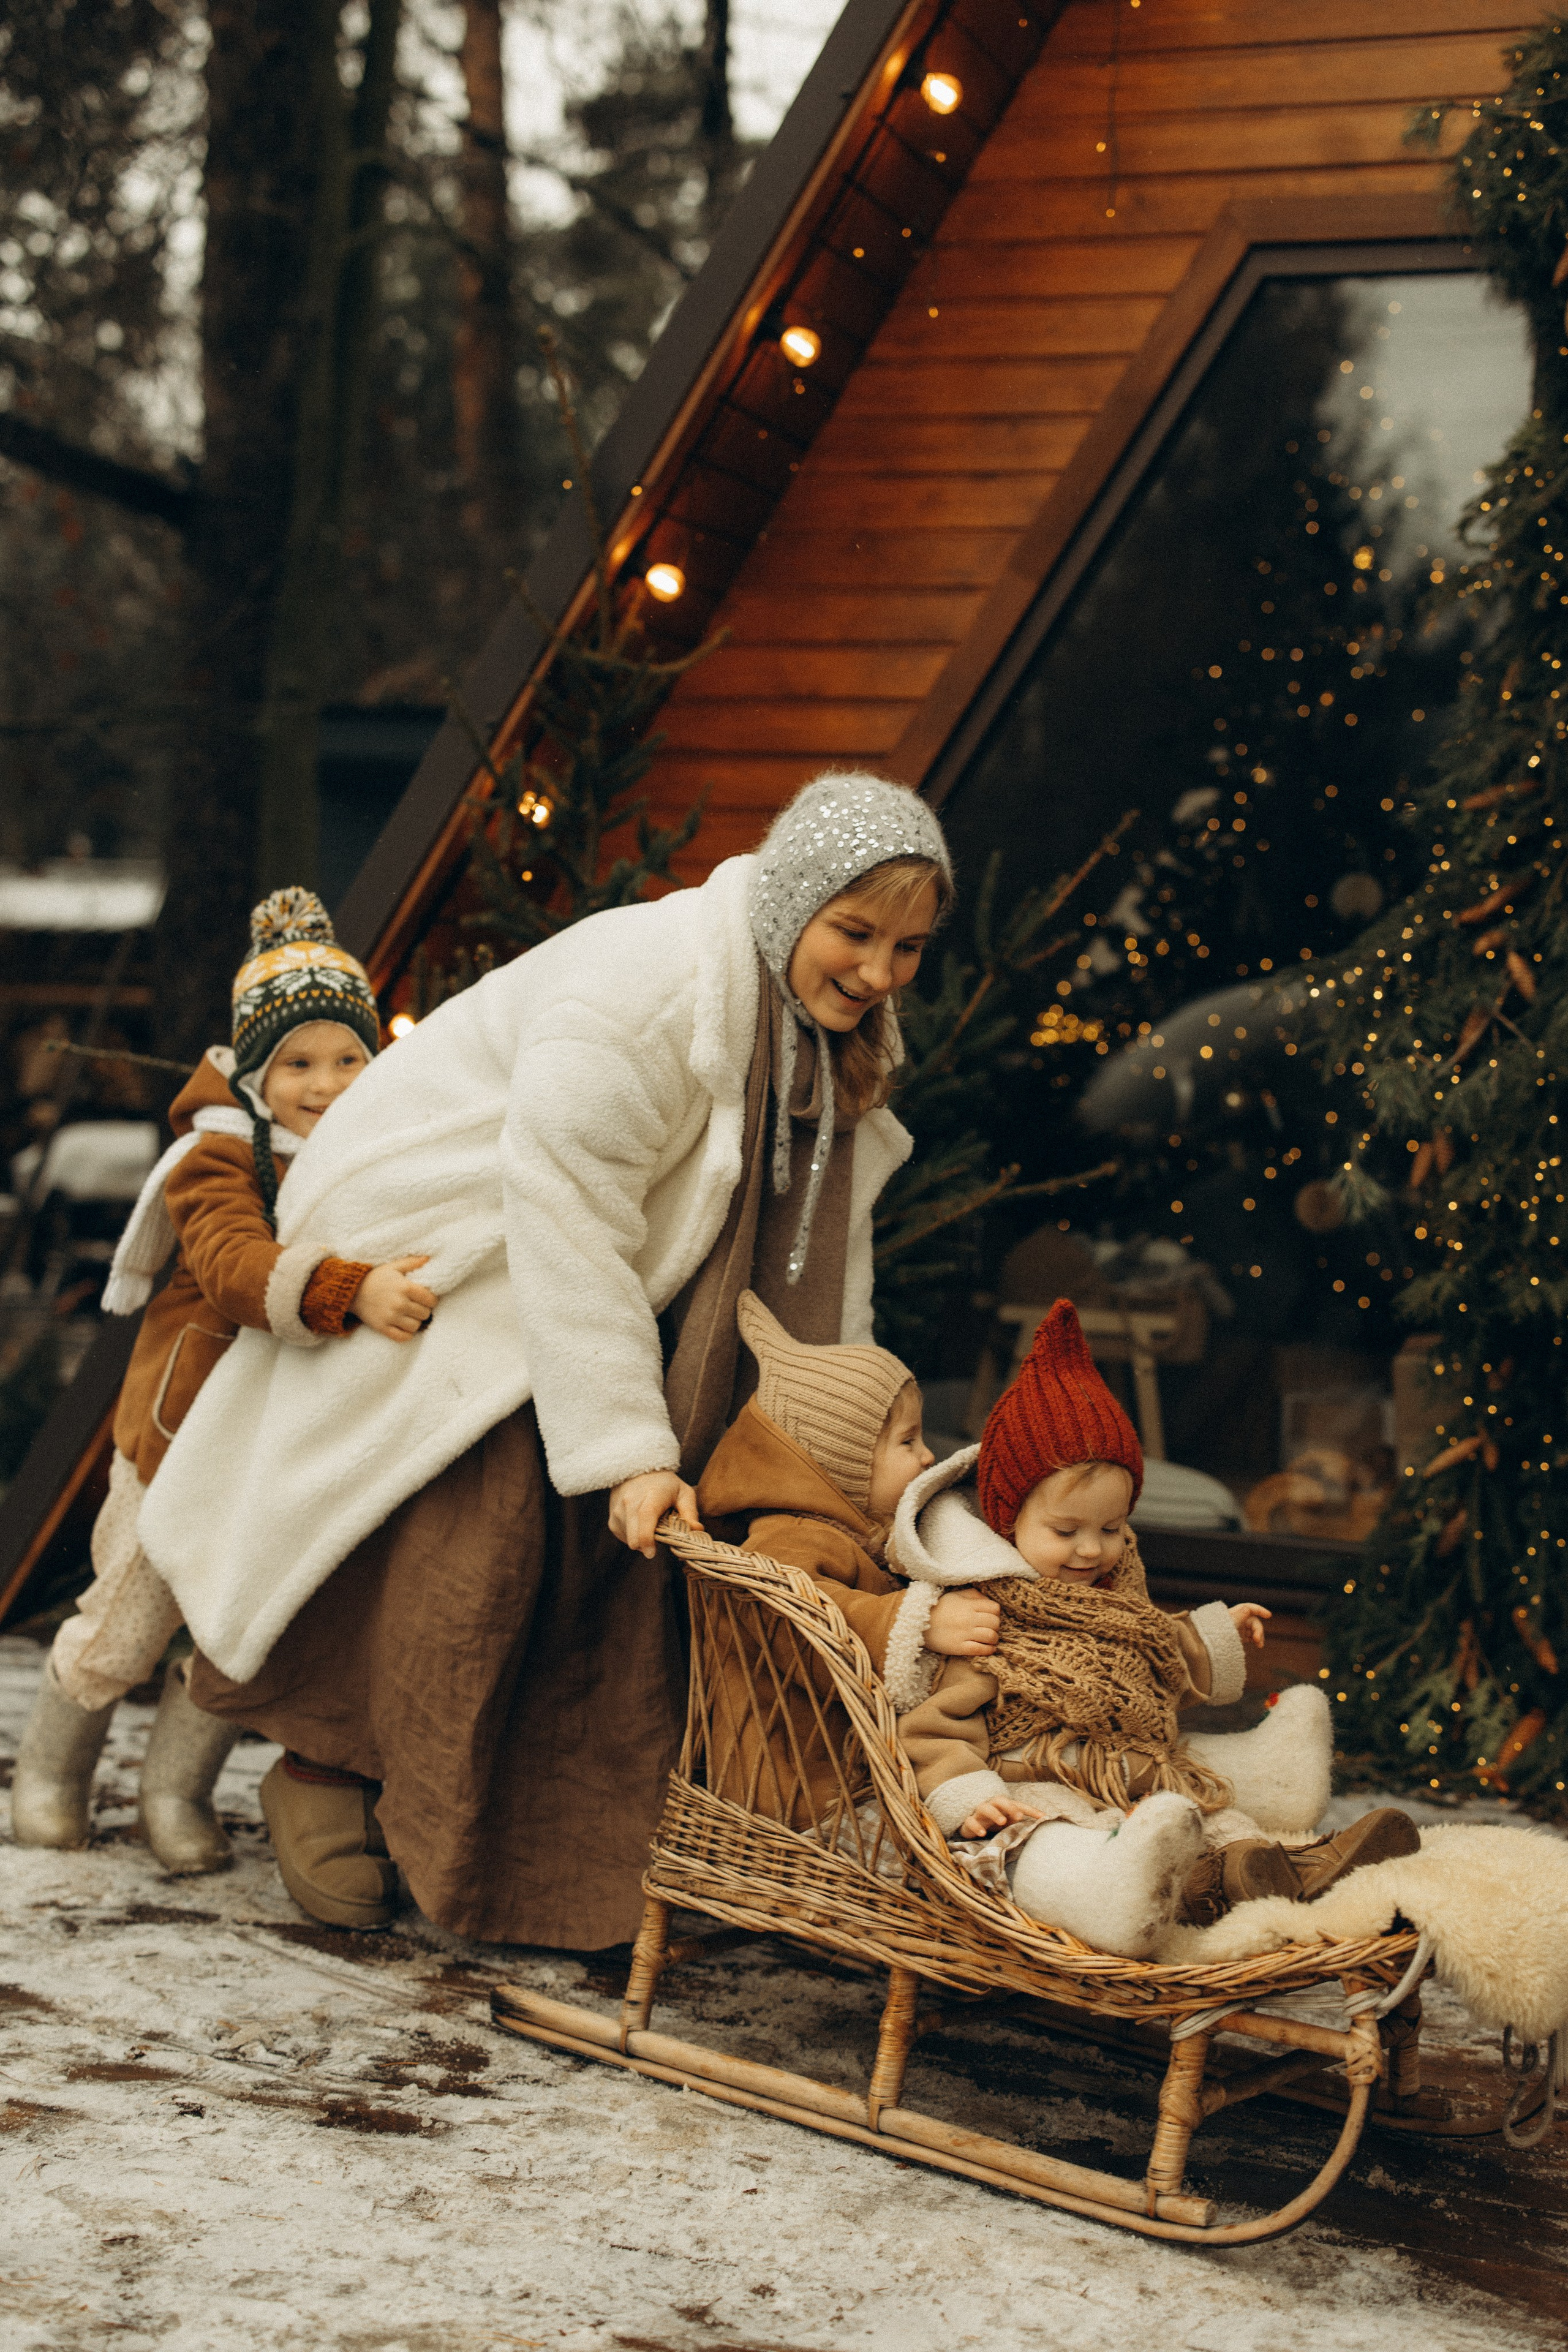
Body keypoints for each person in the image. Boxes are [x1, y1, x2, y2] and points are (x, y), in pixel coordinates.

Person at [137, 774, 954, 1942]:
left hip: (589, 1256)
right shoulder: (649, 994)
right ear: (790, 906)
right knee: (489, 1515)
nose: (880, 973)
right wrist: (624, 1448)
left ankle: (537, 1825)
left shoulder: (828, 1042)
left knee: (605, 1550)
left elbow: (818, 1242)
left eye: (910, 948)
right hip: (445, 1242)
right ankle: (328, 1769)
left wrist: (839, 1429)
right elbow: (565, 1209)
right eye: (857, 933)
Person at [10, 891, 435, 1873]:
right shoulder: (216, 1156)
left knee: (232, 1630)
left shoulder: (370, 1154)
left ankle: (175, 1793)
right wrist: (349, 1288)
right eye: (297, 1063)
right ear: (253, 1070)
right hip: (182, 1433)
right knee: (129, 1610)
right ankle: (50, 1774)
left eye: (346, 1058)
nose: (324, 1084)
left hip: (280, 1446)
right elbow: (237, 1268)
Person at [886, 1300, 1420, 1954]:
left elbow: (1154, 1661)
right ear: (1006, 1519)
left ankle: (1279, 1870)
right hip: (1033, 1787)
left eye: (1111, 1530)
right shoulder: (986, 1617)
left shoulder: (1117, 1605)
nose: (1091, 1551)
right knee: (1057, 1848)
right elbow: (933, 1725)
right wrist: (967, 1794)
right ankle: (1117, 1890)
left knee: (1205, 1812)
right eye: (1066, 1531)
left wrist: (1208, 1634)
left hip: (1132, 1778)